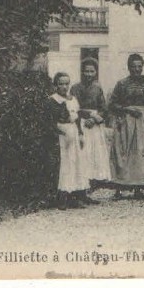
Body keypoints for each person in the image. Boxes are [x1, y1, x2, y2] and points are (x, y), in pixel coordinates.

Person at [108, 54, 144, 200]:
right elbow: (112, 104)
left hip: (143, 124)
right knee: (122, 154)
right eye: (133, 66)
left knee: (139, 156)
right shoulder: (122, 84)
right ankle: (118, 189)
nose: (137, 69)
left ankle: (138, 188)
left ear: (142, 67)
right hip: (125, 122)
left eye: (139, 66)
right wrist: (127, 110)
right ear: (129, 67)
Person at [48, 72, 91, 209]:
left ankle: (75, 196)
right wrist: (65, 122)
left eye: (67, 83)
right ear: (56, 85)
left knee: (76, 164)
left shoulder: (72, 99)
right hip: (62, 136)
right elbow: (54, 119)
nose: (64, 87)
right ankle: (62, 198)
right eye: (61, 84)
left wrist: (80, 134)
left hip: (73, 134)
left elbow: (77, 118)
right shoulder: (54, 100)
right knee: (65, 165)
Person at [72, 59, 112, 195]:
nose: (89, 74)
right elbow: (73, 108)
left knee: (95, 154)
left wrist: (95, 119)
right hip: (81, 123)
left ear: (95, 72)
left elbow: (103, 109)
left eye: (92, 71)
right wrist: (86, 116)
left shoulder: (98, 88)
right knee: (83, 153)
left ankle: (94, 182)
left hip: (94, 125)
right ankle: (82, 183)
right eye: (86, 71)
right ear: (82, 72)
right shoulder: (75, 88)